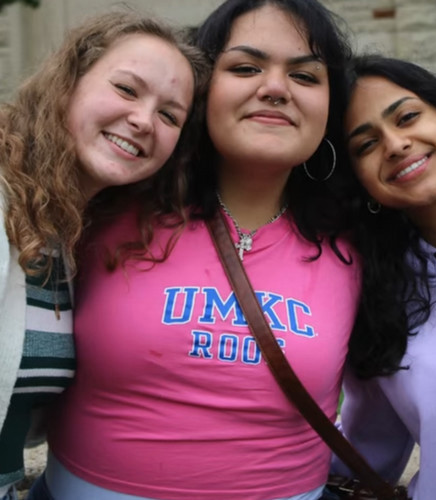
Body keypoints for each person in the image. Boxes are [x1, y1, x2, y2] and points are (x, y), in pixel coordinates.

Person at [31, 1, 361, 499]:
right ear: (202, 93)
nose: (274, 88)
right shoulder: (102, 200)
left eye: (306, 76)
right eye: (246, 67)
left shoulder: (367, 243)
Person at [0, 9, 208, 500]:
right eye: (127, 89)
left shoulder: (67, 234)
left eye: (169, 115)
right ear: (69, 82)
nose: (142, 120)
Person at [331, 54, 436, 499]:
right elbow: (369, 452)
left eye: (407, 117)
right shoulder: (377, 297)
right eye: (365, 145)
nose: (395, 144)